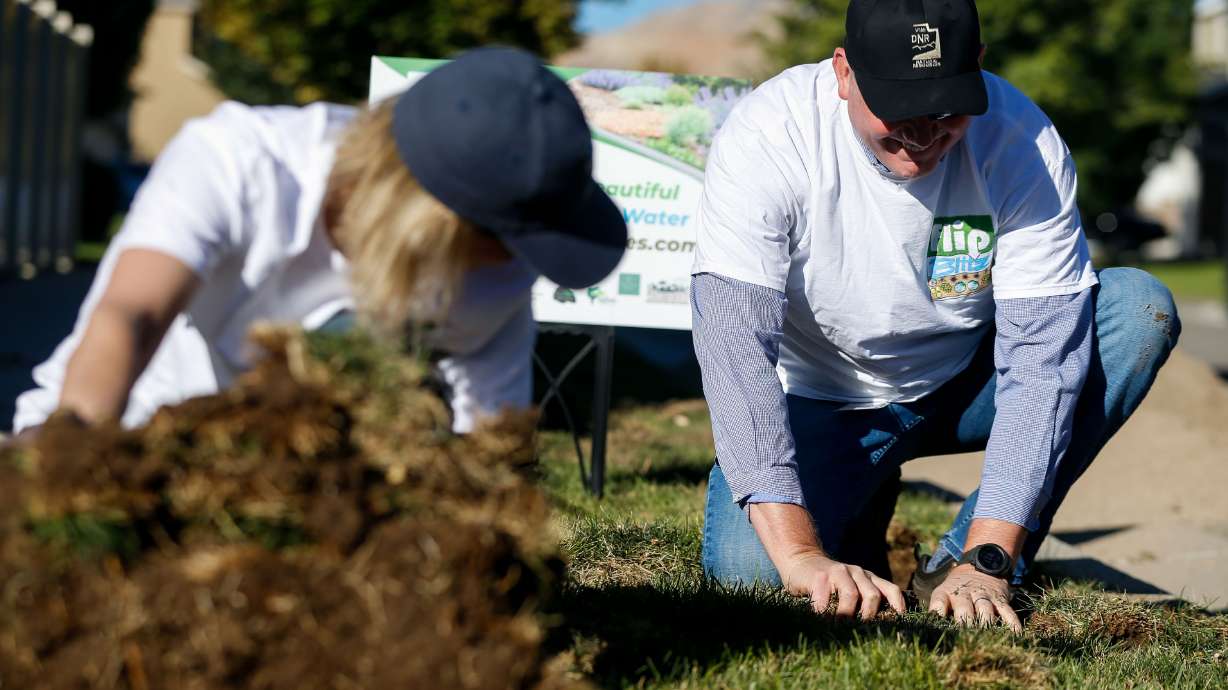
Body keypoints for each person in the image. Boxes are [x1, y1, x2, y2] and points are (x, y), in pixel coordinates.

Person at [691, 0, 1179, 632]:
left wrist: (987, 559)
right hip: (823, 399)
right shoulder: (769, 136)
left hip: (965, 383)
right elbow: (736, 354)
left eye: (946, 107)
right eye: (898, 106)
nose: (922, 134)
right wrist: (802, 555)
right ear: (844, 74)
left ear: (976, 67)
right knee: (754, 578)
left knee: (1136, 312)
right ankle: (857, 505)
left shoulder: (1022, 141)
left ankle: (952, 566)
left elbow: (1041, 365)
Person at [12, 47, 626, 437]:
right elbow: (131, 317)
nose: (514, 265)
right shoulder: (243, 162)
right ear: (423, 219)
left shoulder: (500, 274)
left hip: (321, 491)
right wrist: (74, 477)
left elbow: (493, 440)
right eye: (503, 240)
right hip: (144, 439)